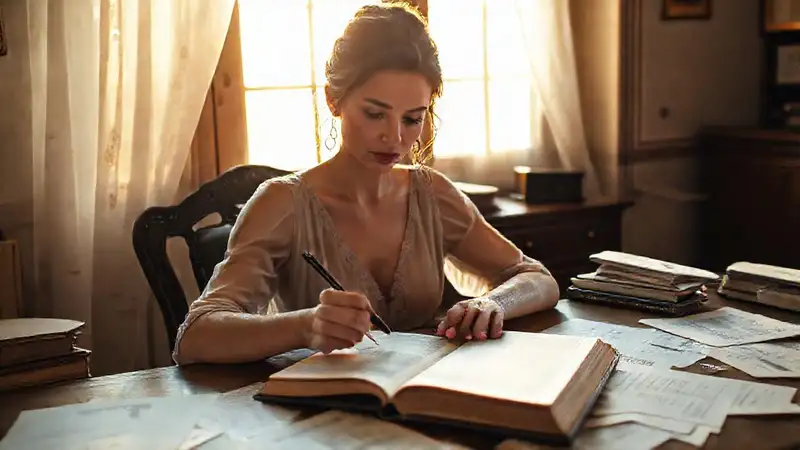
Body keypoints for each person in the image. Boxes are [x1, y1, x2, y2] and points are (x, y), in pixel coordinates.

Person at [173, 1, 559, 365]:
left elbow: (537, 279)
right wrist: (305, 326)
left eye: (412, 119)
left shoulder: (433, 195)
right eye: (375, 114)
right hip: (316, 421)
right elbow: (195, 337)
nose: (394, 138)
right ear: (333, 101)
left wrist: (492, 304)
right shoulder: (282, 204)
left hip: (424, 407)